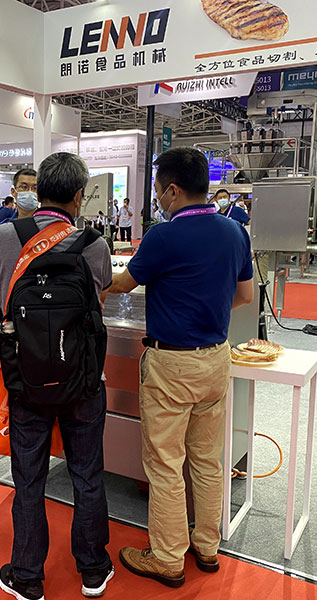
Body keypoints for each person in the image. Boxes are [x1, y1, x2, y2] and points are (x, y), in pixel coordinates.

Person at [108, 147, 254, 589]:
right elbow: (245, 295)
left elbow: (123, 284)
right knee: (208, 460)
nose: (157, 198)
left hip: (171, 363)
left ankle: (168, 557)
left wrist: (90, 269)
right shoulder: (235, 231)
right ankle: (207, 546)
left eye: (157, 190)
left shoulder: (163, 236)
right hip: (216, 358)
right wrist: (205, 312)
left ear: (171, 190)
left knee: (166, 464)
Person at [0, 152, 114, 600]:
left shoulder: (4, 236)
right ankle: (93, 570)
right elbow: (98, 298)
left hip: (26, 379)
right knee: (87, 473)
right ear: (79, 196)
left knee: (29, 478)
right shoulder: (94, 244)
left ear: (37, 191)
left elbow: (3, 294)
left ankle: (26, 575)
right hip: (82, 380)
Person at [0, 169, 38, 272]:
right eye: (24, 187)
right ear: (13, 192)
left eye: (34, 188)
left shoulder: (47, 225)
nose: (30, 192)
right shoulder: (3, 228)